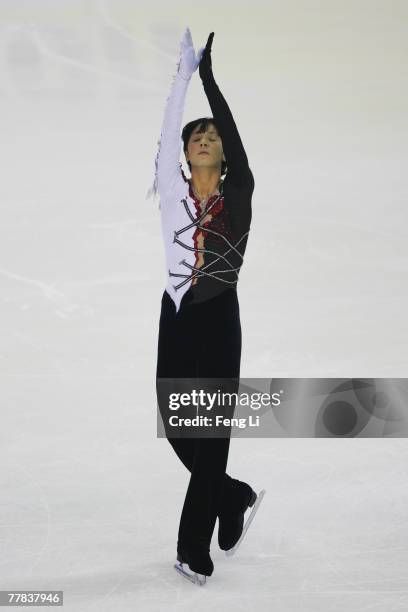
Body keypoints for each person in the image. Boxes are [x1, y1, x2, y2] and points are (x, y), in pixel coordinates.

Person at [148, 27, 265, 586]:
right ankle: (232, 493)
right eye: (197, 134)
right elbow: (169, 127)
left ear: (221, 153)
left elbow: (237, 144)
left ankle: (193, 548)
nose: (201, 137)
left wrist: (212, 84)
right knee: (178, 427)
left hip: (219, 316)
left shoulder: (238, 192)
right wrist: (183, 77)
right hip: (176, 313)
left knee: (210, 432)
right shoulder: (170, 190)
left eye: (210, 135)